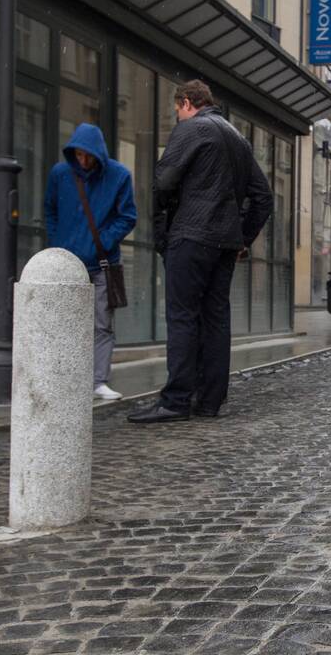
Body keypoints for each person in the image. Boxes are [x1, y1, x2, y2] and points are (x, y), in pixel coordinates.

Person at [129, 80, 273, 424]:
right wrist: (242, 238)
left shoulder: (192, 129)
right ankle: (209, 400)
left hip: (191, 237)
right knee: (215, 319)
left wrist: (164, 228)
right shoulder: (238, 140)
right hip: (224, 244)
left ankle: (176, 400)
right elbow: (263, 197)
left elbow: (163, 182)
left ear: (188, 102)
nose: (177, 116)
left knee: (182, 317)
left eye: (177, 109)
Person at [44, 124, 138, 401]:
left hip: (103, 263)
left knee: (101, 324)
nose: (83, 160)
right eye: (79, 155)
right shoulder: (60, 174)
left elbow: (128, 216)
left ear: (98, 153)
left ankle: (98, 381)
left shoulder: (119, 176)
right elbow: (50, 209)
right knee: (63, 323)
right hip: (66, 263)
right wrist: (57, 243)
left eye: (88, 155)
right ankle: (63, 377)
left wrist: (103, 242)